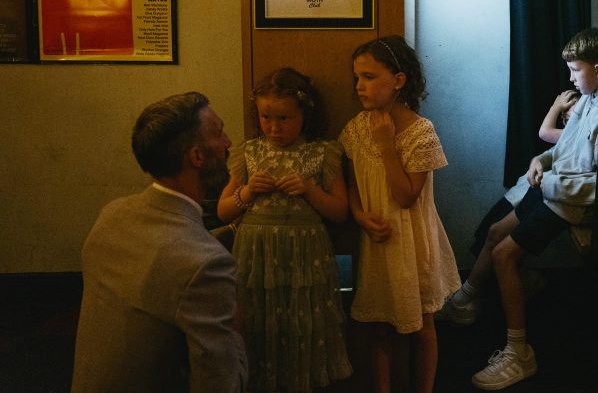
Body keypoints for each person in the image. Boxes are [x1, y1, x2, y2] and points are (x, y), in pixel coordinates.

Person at [437, 27, 598, 391]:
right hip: (553, 188)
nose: (571, 78)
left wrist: (550, 182)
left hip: (568, 202)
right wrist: (538, 161)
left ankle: (518, 352)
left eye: (576, 70)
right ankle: (465, 301)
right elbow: (561, 148)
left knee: (504, 256)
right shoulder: (588, 101)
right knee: (496, 233)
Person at [72, 92, 247, 393]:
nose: (229, 142)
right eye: (219, 133)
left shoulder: (113, 215)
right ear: (197, 157)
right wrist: (238, 329)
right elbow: (222, 383)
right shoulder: (206, 264)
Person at [216, 67, 352, 392]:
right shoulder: (249, 152)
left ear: (304, 114)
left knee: (300, 326)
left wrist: (310, 190)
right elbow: (222, 211)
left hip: (305, 256)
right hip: (255, 254)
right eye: (266, 118)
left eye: (284, 119)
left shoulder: (322, 152)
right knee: (257, 323)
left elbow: (340, 212)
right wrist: (247, 192)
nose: (274, 128)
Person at [338, 35, 460, 393]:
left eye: (369, 77)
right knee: (378, 327)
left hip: (415, 241)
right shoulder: (354, 129)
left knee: (424, 326)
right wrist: (360, 216)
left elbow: (407, 196)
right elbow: (352, 186)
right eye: (356, 77)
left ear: (398, 81)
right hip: (378, 243)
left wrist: (386, 145)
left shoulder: (421, 133)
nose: (359, 86)